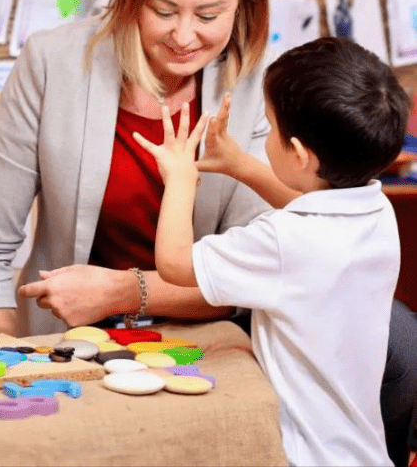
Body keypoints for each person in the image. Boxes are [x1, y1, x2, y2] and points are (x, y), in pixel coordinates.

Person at [0, 0, 417, 466]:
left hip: (216, 327)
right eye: (164, 10)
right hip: (71, 333)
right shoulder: (52, 62)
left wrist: (124, 290)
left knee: (400, 339)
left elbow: (269, 258)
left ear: (244, 3)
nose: (184, 36)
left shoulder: (264, 91)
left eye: (209, 15)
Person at [133, 36, 409, 465]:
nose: (266, 135)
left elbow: (173, 263)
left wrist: (179, 179)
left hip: (303, 455)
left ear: (298, 153)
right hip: (360, 450)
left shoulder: (282, 240)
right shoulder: (376, 211)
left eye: (269, 125)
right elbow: (307, 205)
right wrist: (239, 163)